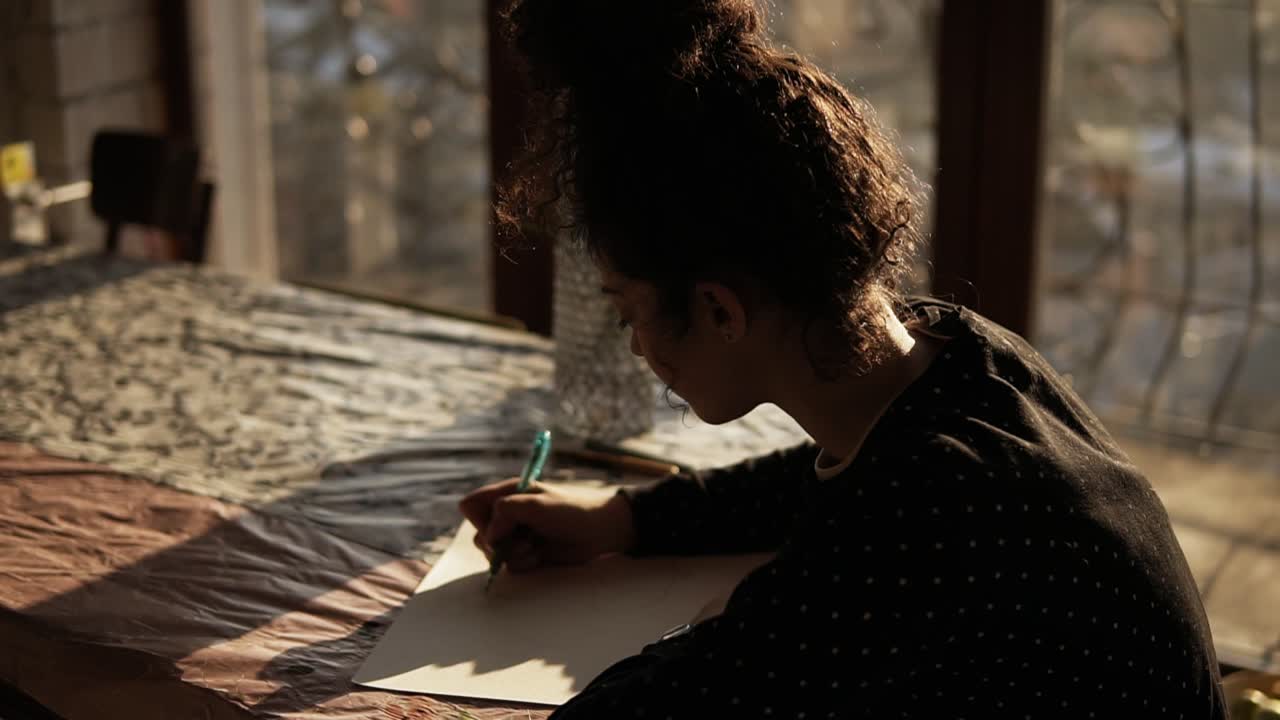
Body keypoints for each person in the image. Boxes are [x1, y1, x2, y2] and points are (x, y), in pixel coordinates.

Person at [460, 0, 1229, 716]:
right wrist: (625, 517)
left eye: (630, 312)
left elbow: (702, 694)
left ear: (720, 309)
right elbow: (820, 477)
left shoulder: (921, 516)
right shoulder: (958, 353)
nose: (634, 346)